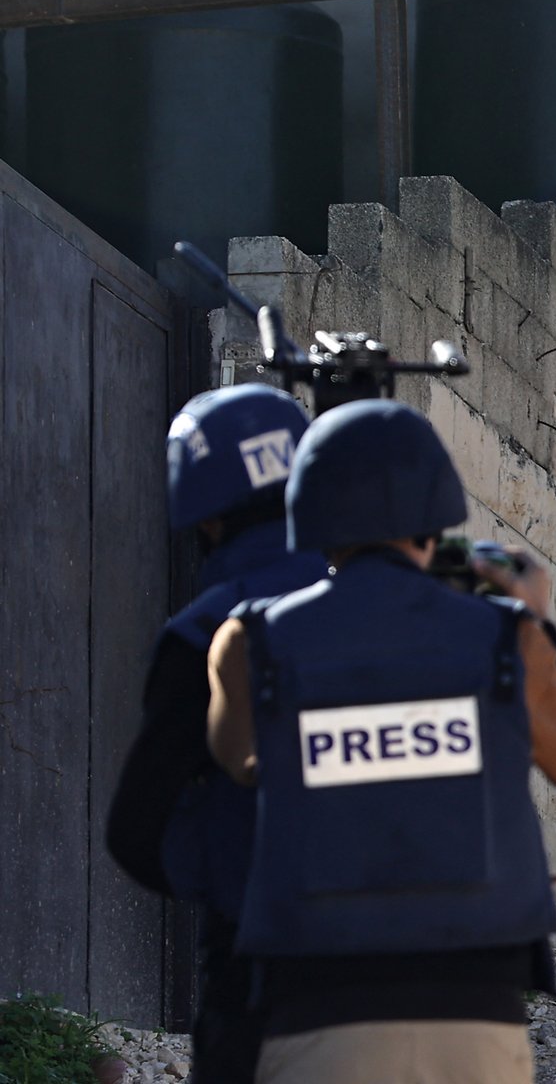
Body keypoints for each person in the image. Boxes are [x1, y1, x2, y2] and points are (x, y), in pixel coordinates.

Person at [205, 398, 556, 1084]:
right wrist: (536, 625)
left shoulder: (251, 643)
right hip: (474, 1012)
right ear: (438, 515)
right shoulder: (505, 640)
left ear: (309, 513)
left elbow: (237, 760)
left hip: (315, 1009)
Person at [105, 384, 328, 1084]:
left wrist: (231, 867)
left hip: (263, 980)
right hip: (444, 980)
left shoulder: (206, 632)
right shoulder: (410, 607)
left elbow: (135, 833)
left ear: (206, 520)